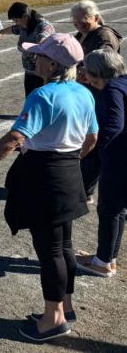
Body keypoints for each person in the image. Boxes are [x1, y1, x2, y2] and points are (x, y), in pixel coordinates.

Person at [0, 33, 97, 342]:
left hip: (44, 176)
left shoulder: (43, 95)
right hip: (69, 172)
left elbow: (14, 139)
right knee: (64, 246)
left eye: (40, 56)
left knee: (51, 251)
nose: (36, 60)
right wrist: (70, 159)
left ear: (52, 63)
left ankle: (54, 318)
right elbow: (92, 138)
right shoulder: (84, 93)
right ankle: (65, 308)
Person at [75, 49, 127, 278]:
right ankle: (107, 257)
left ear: (96, 74)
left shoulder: (112, 90)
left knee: (109, 210)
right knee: (118, 210)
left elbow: (113, 127)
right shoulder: (123, 82)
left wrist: (102, 154)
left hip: (119, 160)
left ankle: (103, 262)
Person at [71, 0, 122, 200]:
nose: (79, 22)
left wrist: (81, 71)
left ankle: (85, 191)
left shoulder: (104, 36)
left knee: (95, 142)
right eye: (75, 20)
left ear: (96, 17)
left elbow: (103, 63)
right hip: (87, 93)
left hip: (100, 95)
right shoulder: (83, 33)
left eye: (84, 19)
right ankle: (82, 187)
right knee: (86, 140)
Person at [0, 2, 54, 97]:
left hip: (42, 71)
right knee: (29, 97)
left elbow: (43, 40)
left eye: (17, 20)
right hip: (29, 70)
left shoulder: (43, 26)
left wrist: (28, 46)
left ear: (25, 16)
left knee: (40, 98)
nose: (16, 23)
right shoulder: (24, 23)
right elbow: (14, 29)